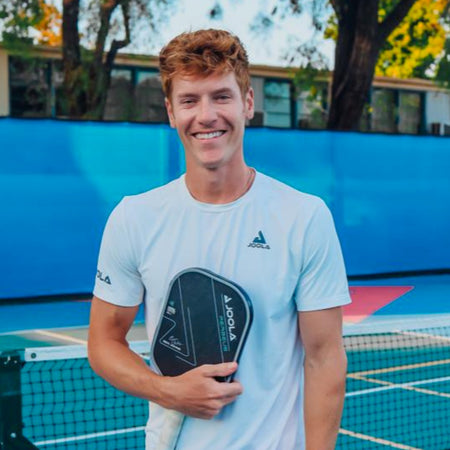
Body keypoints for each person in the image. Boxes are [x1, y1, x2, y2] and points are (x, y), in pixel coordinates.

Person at [88, 29, 350, 450]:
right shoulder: (133, 218)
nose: (206, 115)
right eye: (190, 100)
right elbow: (103, 342)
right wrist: (168, 391)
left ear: (247, 103)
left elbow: (324, 359)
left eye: (221, 96)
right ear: (171, 112)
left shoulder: (303, 216)